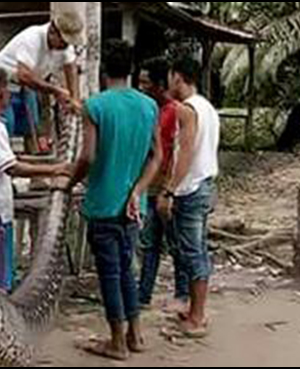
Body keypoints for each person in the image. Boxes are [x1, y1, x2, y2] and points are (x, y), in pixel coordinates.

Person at [67, 40, 159, 361]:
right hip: (134, 206)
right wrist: (138, 190)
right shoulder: (149, 106)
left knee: (109, 273)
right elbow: (155, 157)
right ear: (132, 69)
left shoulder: (96, 106)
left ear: (105, 70)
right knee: (126, 270)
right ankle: (135, 334)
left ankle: (117, 341)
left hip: (103, 204)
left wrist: (70, 182)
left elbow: (88, 157)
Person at [0, 67, 71, 292]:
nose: (10, 95)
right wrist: (55, 169)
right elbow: (12, 168)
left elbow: (5, 158)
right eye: (8, 91)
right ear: (1, 93)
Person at [130, 57, 220, 338]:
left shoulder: (187, 110)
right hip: (202, 184)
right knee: (193, 250)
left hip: (191, 189)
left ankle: (197, 316)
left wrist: (168, 190)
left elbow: (186, 153)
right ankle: (193, 309)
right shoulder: (206, 107)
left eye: (170, 76)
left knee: (193, 252)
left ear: (178, 77)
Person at [135, 59, 189, 313]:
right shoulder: (148, 109)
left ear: (159, 85)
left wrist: (169, 188)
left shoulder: (174, 111)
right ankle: (143, 293)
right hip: (150, 184)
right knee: (150, 242)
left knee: (174, 242)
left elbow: (176, 152)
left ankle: (182, 292)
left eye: (146, 82)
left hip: (166, 185)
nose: (141, 86)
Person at [0, 12, 84, 151]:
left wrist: (75, 98)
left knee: (32, 124)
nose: (65, 46)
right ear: (52, 31)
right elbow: (24, 75)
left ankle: (32, 159)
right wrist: (55, 91)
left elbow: (71, 67)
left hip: (25, 85)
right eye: (63, 41)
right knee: (6, 124)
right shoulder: (32, 38)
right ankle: (3, 163)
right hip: (0, 82)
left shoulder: (64, 47)